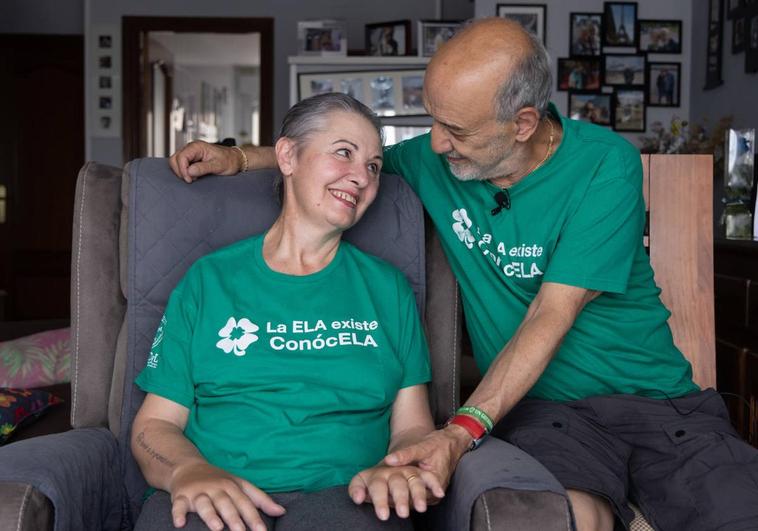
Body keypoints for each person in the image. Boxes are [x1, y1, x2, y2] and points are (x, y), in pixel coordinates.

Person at [169, 18, 758, 531]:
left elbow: (551, 312)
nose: (436, 142)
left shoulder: (604, 164)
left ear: (523, 124)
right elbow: (334, 158)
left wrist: (460, 431)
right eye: (434, 121)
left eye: (457, 130)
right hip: (547, 412)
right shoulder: (439, 156)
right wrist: (241, 156)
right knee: (559, 516)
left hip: (657, 404)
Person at [134, 93, 445, 531]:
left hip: (348, 496)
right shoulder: (209, 281)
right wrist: (189, 471)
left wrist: (397, 468)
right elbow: (154, 427)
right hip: (218, 494)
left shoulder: (387, 289)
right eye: (343, 153)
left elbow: (412, 427)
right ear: (288, 156)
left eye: (374, 166)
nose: (361, 176)